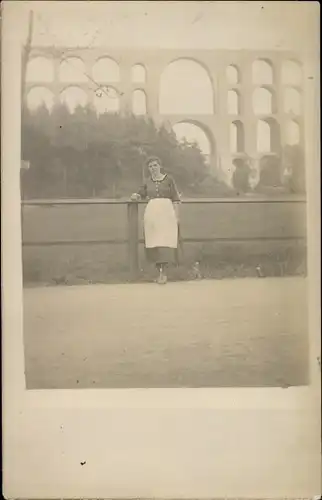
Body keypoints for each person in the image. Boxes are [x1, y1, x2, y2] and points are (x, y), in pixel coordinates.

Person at [130, 156, 181, 284]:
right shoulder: (147, 181)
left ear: (160, 166)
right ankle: (159, 272)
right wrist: (135, 195)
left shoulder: (169, 179)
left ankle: (164, 273)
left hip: (166, 211)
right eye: (150, 166)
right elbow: (141, 193)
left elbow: (175, 198)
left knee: (165, 240)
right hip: (152, 211)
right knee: (153, 241)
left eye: (155, 165)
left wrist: (177, 216)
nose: (153, 168)